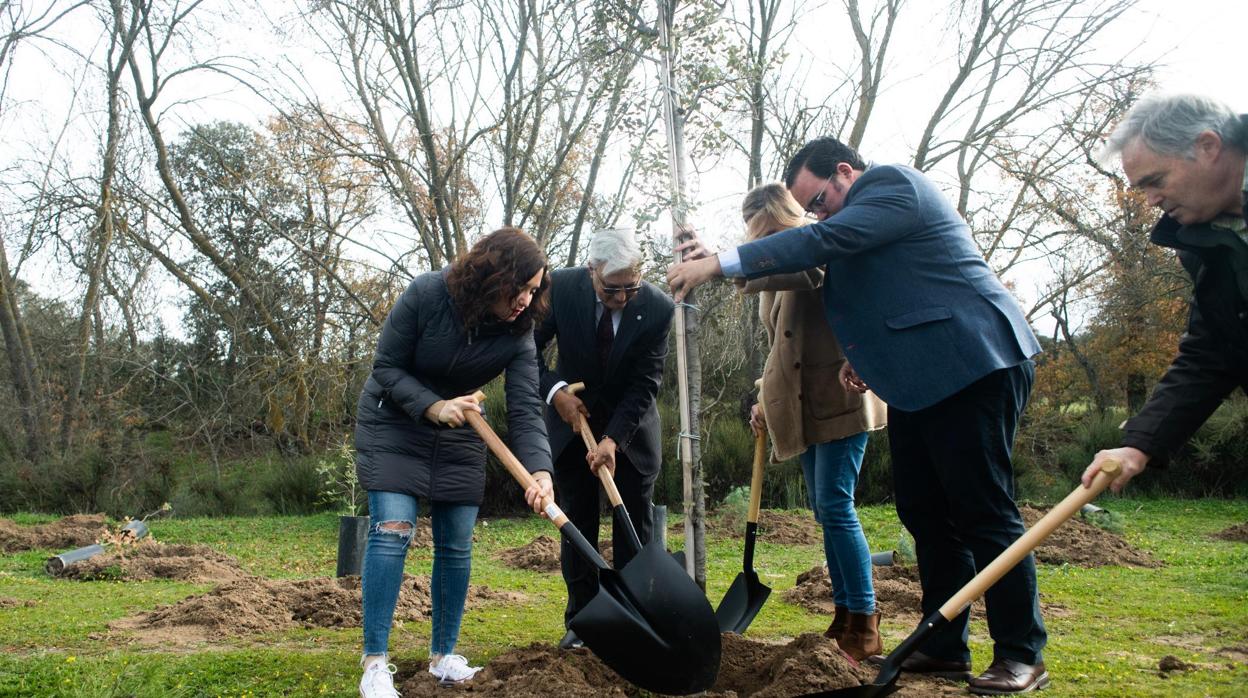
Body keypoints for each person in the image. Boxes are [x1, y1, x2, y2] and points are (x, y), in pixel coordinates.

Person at [669, 137, 1048, 694]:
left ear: (845, 172)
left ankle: (1021, 652)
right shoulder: (850, 227)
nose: (815, 215)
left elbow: (820, 241)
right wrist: (713, 260)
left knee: (983, 511)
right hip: (919, 379)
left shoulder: (893, 186)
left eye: (817, 201)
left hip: (974, 362)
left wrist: (720, 263)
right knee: (925, 514)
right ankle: (944, 648)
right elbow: (817, 276)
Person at [352, 228, 555, 697]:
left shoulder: (519, 331)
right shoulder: (426, 294)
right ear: (491, 276)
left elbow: (525, 405)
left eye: (533, 289)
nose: (526, 299)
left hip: (463, 426)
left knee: (457, 540)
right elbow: (385, 367)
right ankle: (376, 663)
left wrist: (540, 469)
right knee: (394, 529)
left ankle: (444, 656)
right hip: (396, 421)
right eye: (519, 287)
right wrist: (432, 406)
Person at [737, 183, 889, 660]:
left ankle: (865, 623)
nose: (770, 245)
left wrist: (733, 265)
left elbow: (809, 274)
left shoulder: (821, 246)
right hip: (800, 405)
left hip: (841, 397)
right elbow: (781, 342)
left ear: (789, 221)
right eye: (760, 238)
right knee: (825, 512)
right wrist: (764, 394)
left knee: (835, 504)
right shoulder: (784, 260)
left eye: (774, 234)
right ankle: (845, 617)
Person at [1084, 94, 1248, 493]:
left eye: (1155, 181)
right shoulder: (1207, 242)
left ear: (1208, 146)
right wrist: (1139, 444)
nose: (1151, 200)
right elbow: (1209, 353)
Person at [534, 228, 675, 650]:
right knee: (578, 522)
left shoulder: (657, 307)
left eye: (631, 287)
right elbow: (528, 349)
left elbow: (646, 382)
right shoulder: (561, 289)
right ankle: (583, 619)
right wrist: (555, 393)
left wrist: (614, 439)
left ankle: (634, 618)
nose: (622, 299)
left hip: (630, 433)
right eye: (612, 290)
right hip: (571, 422)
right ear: (592, 270)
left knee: (633, 522)